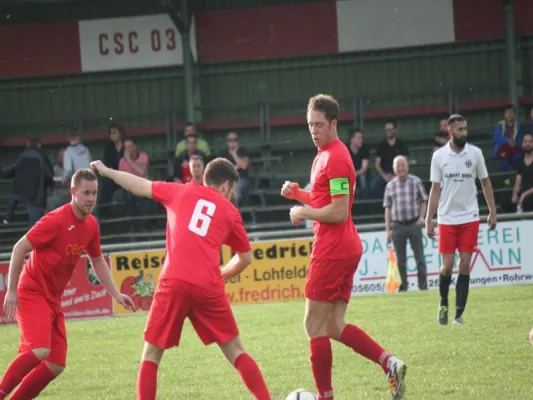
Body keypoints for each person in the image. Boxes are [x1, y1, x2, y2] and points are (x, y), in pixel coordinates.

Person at [90, 158, 271, 400]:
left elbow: (138, 185)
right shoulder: (230, 211)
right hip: (207, 284)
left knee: (151, 355)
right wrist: (221, 274)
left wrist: (107, 171)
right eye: (233, 190)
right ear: (226, 186)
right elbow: (245, 258)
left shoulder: (180, 191)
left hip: (173, 279)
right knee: (236, 351)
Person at [280, 94, 406, 400]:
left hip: (333, 248)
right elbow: (324, 199)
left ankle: (325, 396)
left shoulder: (336, 157)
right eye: (310, 124)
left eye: (319, 125)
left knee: (312, 324)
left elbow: (338, 212)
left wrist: (303, 212)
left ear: (334, 123)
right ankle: (389, 363)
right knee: (334, 325)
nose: (313, 130)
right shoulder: (322, 154)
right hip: (344, 246)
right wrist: (299, 195)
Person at [0, 169, 135, 400]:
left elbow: (97, 260)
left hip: (53, 298)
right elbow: (19, 248)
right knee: (40, 350)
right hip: (32, 291)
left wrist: (115, 293)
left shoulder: (91, 225)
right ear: (73, 192)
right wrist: (11, 291)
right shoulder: (55, 220)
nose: (91, 198)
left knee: (56, 364)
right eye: (86, 193)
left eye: (94, 193)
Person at [426, 114, 497, 326]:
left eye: (465, 129)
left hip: (470, 217)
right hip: (446, 218)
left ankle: (458, 315)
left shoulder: (475, 154)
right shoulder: (439, 157)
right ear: (450, 132)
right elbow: (435, 189)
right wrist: (428, 219)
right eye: (460, 130)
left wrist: (492, 211)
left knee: (465, 265)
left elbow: (485, 183)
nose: (464, 133)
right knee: (447, 267)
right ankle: (443, 302)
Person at [384, 155, 428, 292]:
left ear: (407, 166)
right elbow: (388, 208)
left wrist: (421, 218)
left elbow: (423, 201)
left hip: (414, 223)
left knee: (419, 258)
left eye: (403, 165)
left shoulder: (416, 181)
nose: (401, 168)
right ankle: (403, 288)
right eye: (398, 166)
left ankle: (423, 287)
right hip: (397, 226)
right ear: (394, 168)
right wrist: (388, 230)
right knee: (400, 261)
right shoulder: (390, 186)